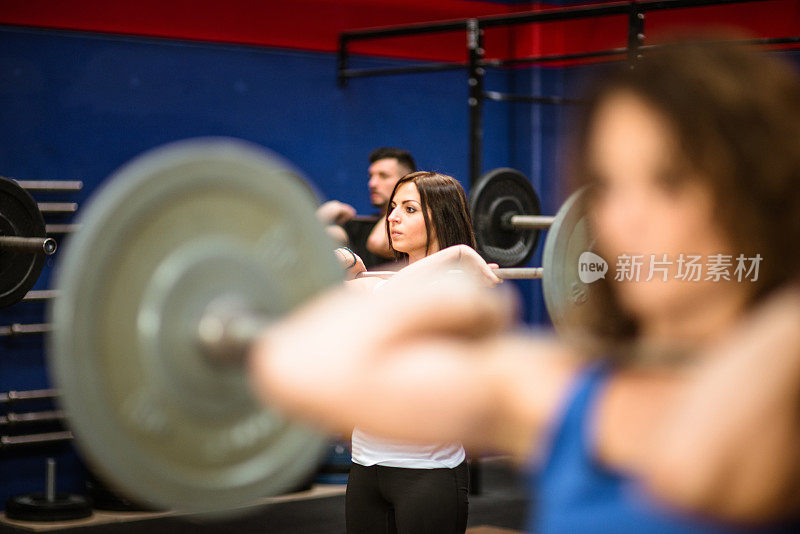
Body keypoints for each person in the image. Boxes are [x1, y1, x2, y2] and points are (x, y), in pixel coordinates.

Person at [251, 40, 800, 532]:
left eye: (668, 181)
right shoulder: (563, 391)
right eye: (607, 185)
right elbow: (300, 366)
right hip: (375, 466)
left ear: (763, 195)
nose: (622, 218)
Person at [336, 171, 498, 534]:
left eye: (409, 209)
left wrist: (457, 257)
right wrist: (345, 255)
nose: (393, 217)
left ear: (441, 217)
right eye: (393, 207)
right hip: (365, 467)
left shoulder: (459, 289)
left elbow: (395, 298)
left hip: (428, 473)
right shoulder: (384, 282)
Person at [317, 147, 417, 268]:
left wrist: (404, 194)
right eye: (371, 176)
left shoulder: (416, 226)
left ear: (406, 181)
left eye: (383, 176)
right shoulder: (358, 227)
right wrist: (327, 212)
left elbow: (377, 243)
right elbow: (311, 240)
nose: (372, 183)